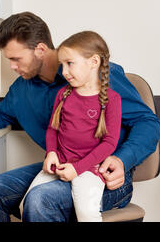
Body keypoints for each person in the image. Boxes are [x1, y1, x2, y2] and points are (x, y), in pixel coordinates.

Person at [0, 12, 160, 222]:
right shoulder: (22, 88)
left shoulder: (94, 76)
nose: (12, 67)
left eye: (16, 59)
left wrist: (122, 159)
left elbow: (148, 123)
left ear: (40, 49)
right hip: (63, 165)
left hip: (102, 173)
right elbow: (3, 111)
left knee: (40, 199)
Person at [21, 31, 121, 222]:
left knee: (87, 213)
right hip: (59, 164)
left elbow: (109, 143)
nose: (64, 71)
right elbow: (52, 129)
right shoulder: (63, 94)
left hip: (89, 169)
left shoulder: (112, 99)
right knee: (27, 202)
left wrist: (78, 168)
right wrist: (51, 152)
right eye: (62, 65)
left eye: (69, 63)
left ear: (94, 62)